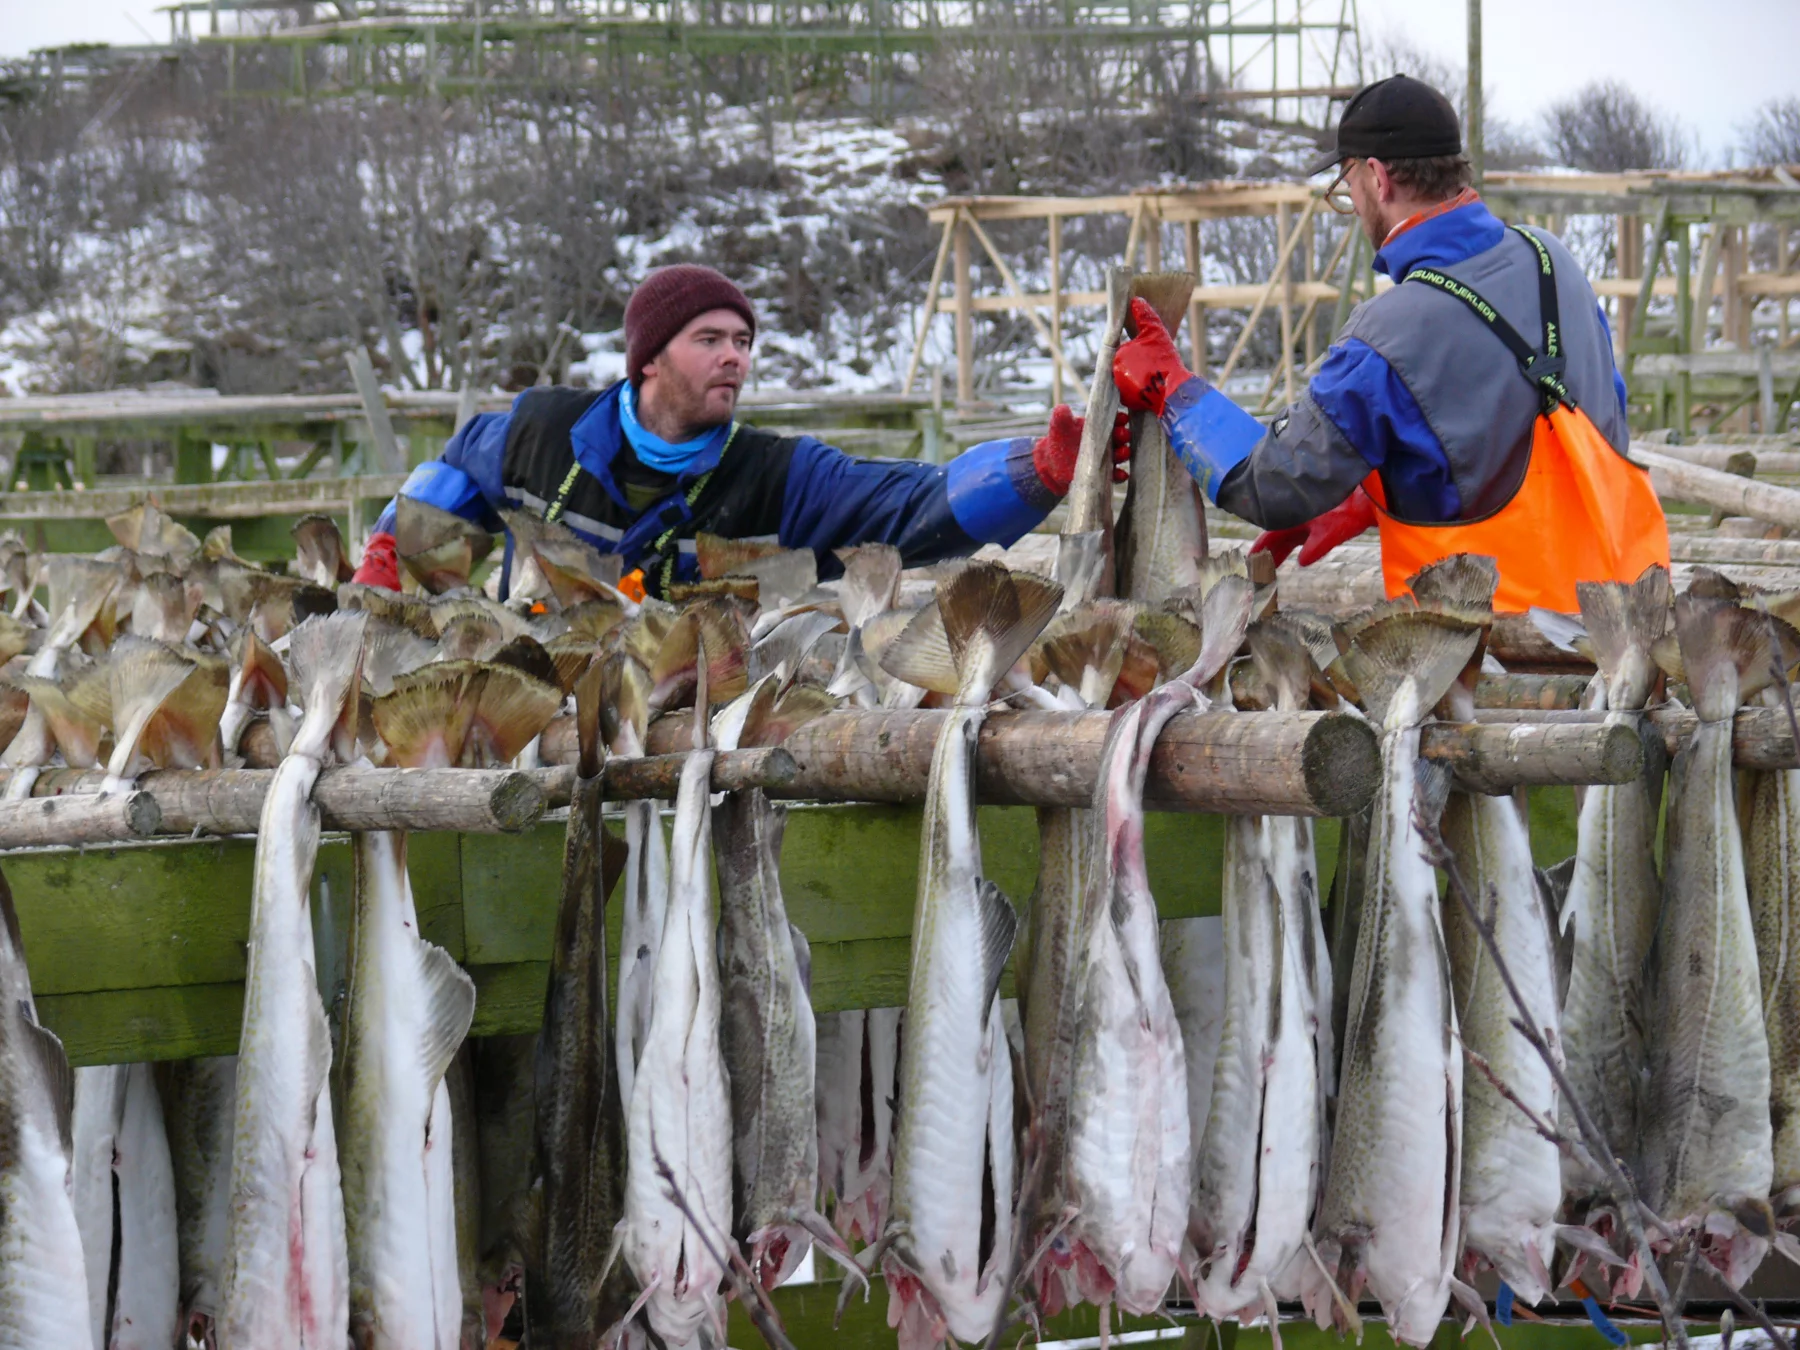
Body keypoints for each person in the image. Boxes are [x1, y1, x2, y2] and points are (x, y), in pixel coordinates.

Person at [1110, 74, 1668, 612]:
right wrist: (1368, 500)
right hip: (1627, 613)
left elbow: (1272, 484)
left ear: (1378, 178)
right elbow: (1587, 423)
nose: (1352, 204)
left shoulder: (1385, 334)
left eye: (1347, 185)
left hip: (1490, 650)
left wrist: (1173, 389)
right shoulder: (1554, 260)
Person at [352, 264, 1128, 599]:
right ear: (648, 359)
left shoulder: (778, 478)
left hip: (695, 732)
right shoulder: (541, 431)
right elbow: (454, 473)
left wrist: (1037, 471)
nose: (734, 357)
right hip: (534, 717)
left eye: (744, 342)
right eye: (710, 340)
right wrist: (391, 554)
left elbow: (912, 507)